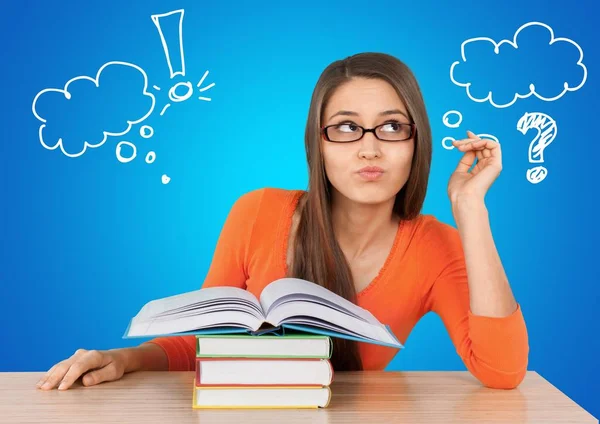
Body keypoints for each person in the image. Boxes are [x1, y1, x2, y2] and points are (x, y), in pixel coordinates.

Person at [36, 52, 529, 392]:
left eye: (393, 126)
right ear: (318, 142)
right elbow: (201, 341)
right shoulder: (258, 212)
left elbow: (502, 372)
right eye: (346, 127)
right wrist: (124, 360)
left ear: (416, 142)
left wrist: (471, 210)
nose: (370, 147)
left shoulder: (434, 247)